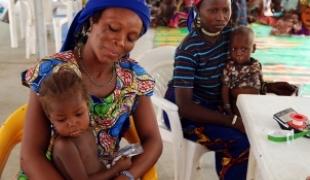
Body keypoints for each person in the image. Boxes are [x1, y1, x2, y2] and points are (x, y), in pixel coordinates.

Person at [20, 0, 162, 179]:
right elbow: (30, 155)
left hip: (102, 173)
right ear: (91, 21)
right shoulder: (51, 71)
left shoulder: (133, 77)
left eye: (131, 38)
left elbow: (153, 140)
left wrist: (128, 175)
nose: (120, 41)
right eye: (113, 28)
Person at [165, 0, 297, 179]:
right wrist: (231, 121)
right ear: (197, 10)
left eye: (225, 10)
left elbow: (239, 69)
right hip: (187, 112)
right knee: (243, 141)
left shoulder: (230, 34)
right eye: (213, 10)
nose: (221, 17)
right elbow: (185, 106)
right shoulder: (189, 49)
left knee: (261, 128)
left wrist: (268, 86)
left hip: (217, 100)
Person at [36, 66, 132, 179]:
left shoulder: (87, 130)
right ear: (50, 118)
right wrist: (116, 169)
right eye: (62, 119)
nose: (72, 123)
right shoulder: (64, 147)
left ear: (87, 105)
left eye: (78, 114)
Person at [222, 25, 263, 115]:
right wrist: (227, 106)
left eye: (243, 49)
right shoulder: (230, 66)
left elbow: (261, 82)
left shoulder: (256, 64)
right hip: (237, 105)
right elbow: (225, 88)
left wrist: (263, 95)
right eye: (234, 49)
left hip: (255, 103)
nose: (238, 53)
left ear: (254, 48)